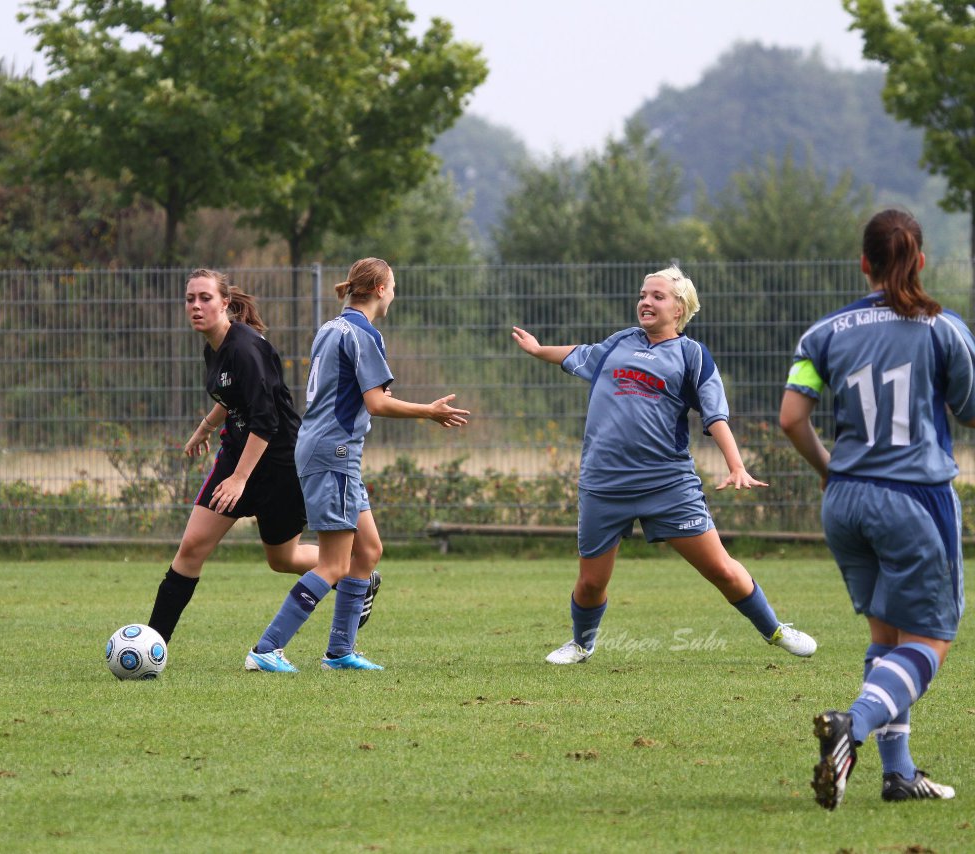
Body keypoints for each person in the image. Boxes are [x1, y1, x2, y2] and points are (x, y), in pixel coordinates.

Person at [511, 265, 817, 667]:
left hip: (667, 485)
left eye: (658, 296)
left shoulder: (692, 355)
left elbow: (715, 415)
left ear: (679, 308)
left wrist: (736, 465)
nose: (646, 301)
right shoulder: (620, 342)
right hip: (604, 484)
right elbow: (578, 353)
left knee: (722, 571)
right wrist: (538, 351)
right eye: (643, 295)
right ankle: (582, 644)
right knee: (590, 582)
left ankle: (774, 630)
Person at [780, 209, 973, 810]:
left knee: (887, 635)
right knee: (931, 637)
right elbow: (970, 411)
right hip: (913, 498)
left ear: (864, 263)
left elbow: (791, 418)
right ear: (920, 261)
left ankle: (900, 773)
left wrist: (829, 471)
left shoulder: (823, 333)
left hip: (845, 501)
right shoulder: (943, 328)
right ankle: (852, 726)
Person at [244, 258, 469, 672]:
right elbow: (376, 402)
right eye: (393, 286)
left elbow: (345, 393)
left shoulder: (331, 327)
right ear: (381, 289)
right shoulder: (365, 333)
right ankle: (266, 648)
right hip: (335, 453)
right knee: (334, 564)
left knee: (367, 551)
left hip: (326, 449)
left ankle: (340, 651)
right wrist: (429, 411)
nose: (394, 293)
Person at [146, 269, 381, 645]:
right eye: (190, 299)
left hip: (277, 464)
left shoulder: (246, 348)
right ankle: (152, 644)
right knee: (192, 548)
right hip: (237, 457)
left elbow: (266, 421)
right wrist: (206, 427)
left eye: (205, 298)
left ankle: (355, 574)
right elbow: (232, 396)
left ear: (224, 303)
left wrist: (240, 479)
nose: (195, 306)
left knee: (283, 559)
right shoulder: (215, 347)